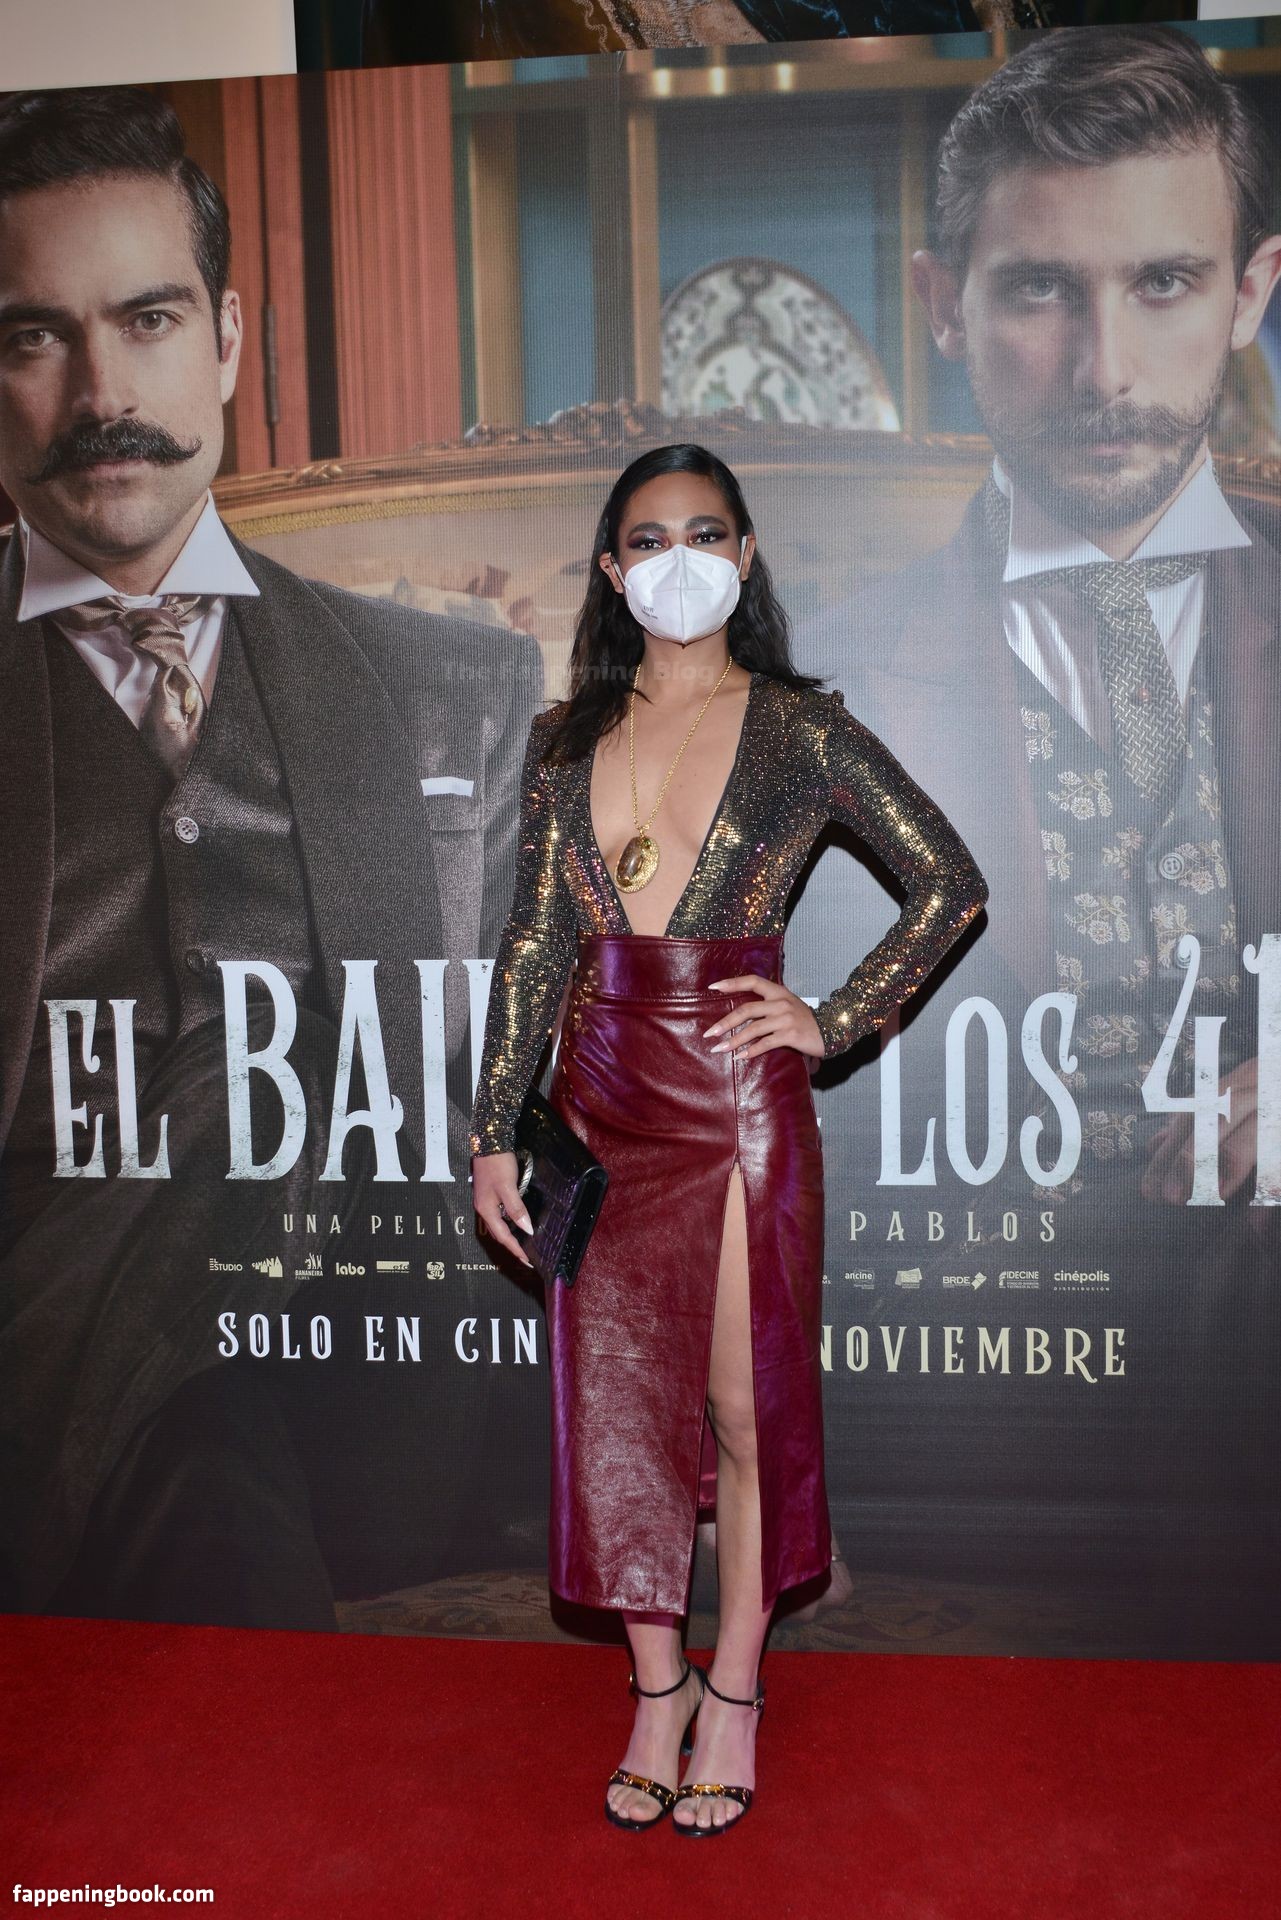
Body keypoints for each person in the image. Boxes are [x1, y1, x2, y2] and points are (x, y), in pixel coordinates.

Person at [0, 87, 541, 1629]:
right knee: (203, 1429)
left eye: (149, 319)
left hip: (387, 1368)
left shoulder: (452, 686)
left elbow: (542, 1081)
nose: (103, 391)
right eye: (35, 337)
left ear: (228, 340)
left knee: (281, 1099)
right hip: (41, 1359)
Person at [795, 26, 1281, 1649]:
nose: (1103, 369)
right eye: (1038, 294)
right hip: (973, 1369)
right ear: (942, 305)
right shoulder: (817, 685)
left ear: (1250, 292)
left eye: (1161, 284)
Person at [469, 443, 986, 1833]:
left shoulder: (801, 729)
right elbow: (534, 942)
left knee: (746, 1413)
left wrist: (835, 1017)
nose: (679, 560)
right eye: (650, 539)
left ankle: (737, 1690)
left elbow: (947, 883)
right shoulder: (564, 740)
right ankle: (658, 1689)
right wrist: (494, 1124)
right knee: (619, 1406)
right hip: (596, 1100)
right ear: (611, 568)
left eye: (706, 534)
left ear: (745, 558)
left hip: (736, 1096)